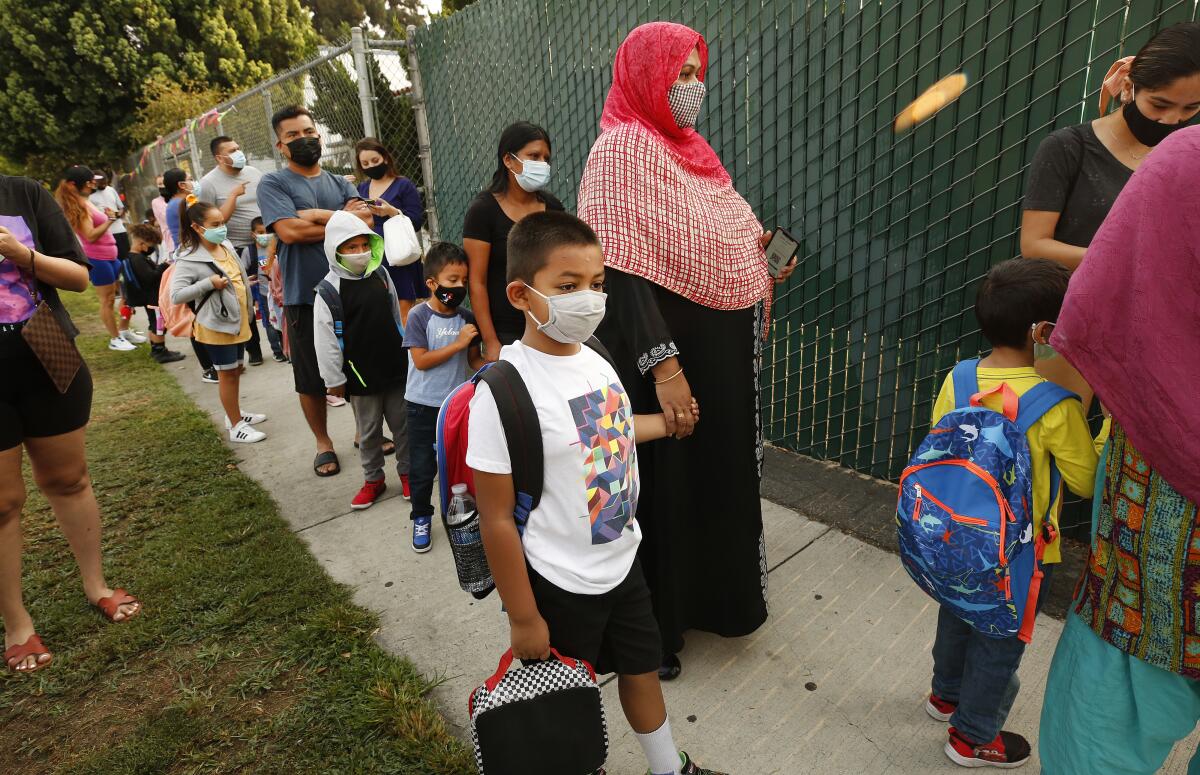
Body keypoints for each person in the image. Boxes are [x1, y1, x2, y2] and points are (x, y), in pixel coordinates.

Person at [578, 22, 794, 680]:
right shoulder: (619, 151)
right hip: (659, 360)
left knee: (716, 478)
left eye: (698, 74)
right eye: (681, 75)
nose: (693, 88)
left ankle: (716, 603)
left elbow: (717, 232)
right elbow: (618, 270)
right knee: (660, 489)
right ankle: (656, 630)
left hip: (721, 349)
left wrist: (757, 256)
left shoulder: (693, 150)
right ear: (647, 76)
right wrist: (664, 366)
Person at [467, 211, 719, 775]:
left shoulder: (599, 360)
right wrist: (524, 617)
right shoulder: (503, 391)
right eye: (568, 286)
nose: (590, 299)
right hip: (557, 579)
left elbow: (610, 432)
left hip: (620, 560)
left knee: (642, 668)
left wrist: (667, 424)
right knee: (564, 697)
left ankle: (667, 768)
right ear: (520, 294)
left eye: (597, 284)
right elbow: (497, 519)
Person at [1038, 127, 1200, 774]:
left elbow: (1105, 309)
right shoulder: (1075, 150)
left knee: (1112, 707)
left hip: (1169, 500)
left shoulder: (1184, 162)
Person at [1020, 22, 1200, 540]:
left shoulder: (1187, 159)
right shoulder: (1070, 147)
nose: (1172, 121)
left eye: (1191, 110)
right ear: (1129, 85)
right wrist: (1123, 263)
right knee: (1049, 465)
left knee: (1135, 475)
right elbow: (1035, 244)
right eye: (1160, 104)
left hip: (1152, 343)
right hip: (1069, 327)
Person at [922, 258, 1105, 768]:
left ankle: (945, 695)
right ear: (1044, 332)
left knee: (957, 612)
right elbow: (1088, 480)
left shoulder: (958, 378)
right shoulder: (1055, 405)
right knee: (1000, 641)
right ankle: (972, 737)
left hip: (955, 535)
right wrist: (1109, 434)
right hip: (1021, 553)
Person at [0, 175, 141, 674]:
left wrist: (21, 253)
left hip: (46, 355)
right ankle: (17, 625)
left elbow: (79, 277)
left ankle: (96, 585)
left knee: (68, 479)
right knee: (2, 503)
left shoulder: (22, 194)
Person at [258, 105, 370, 477]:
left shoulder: (340, 183)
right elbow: (288, 233)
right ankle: (323, 442)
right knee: (310, 375)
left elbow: (366, 222)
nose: (303, 139)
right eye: (292, 135)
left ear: (318, 135)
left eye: (308, 131)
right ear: (280, 145)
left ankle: (362, 431)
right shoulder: (273, 184)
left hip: (352, 288)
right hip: (303, 295)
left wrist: (314, 217)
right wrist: (341, 221)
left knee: (358, 364)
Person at [314, 211, 411, 514]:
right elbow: (325, 339)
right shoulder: (328, 291)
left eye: (363, 246)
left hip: (395, 367)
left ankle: (408, 474)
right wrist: (334, 379)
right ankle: (373, 479)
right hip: (360, 375)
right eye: (350, 248)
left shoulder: (381, 275)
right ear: (335, 250)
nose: (359, 253)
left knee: (403, 426)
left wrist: (408, 349)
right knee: (369, 434)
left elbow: (396, 315)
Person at [463, 122, 565, 360]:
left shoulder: (553, 208)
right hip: (506, 331)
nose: (541, 164)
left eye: (545, 158)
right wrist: (491, 341)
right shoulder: (483, 211)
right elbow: (477, 283)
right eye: (533, 156)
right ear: (508, 160)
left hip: (550, 325)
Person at [170, 198, 267, 444]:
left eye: (222, 222)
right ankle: (236, 426)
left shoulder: (225, 245)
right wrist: (207, 284)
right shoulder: (188, 259)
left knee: (236, 369)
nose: (221, 228)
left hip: (237, 320)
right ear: (197, 227)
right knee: (227, 374)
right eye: (215, 224)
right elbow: (177, 295)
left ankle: (233, 413)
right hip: (216, 325)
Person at [404, 242, 481, 553]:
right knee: (423, 468)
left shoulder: (467, 317)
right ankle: (421, 517)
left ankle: (462, 515)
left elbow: (474, 361)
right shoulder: (418, 316)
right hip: (423, 407)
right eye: (452, 280)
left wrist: (495, 364)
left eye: (463, 280)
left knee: (461, 465)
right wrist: (458, 344)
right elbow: (420, 361)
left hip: (457, 408)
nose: (459, 287)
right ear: (432, 283)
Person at [54, 165, 141, 352]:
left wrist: (109, 216)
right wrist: (110, 220)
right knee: (107, 300)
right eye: (89, 182)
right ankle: (115, 338)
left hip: (111, 255)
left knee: (127, 293)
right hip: (97, 259)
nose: (93, 184)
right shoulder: (76, 206)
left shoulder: (86, 201)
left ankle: (124, 330)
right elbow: (90, 235)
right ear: (72, 184)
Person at [355, 138, 426, 326]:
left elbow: (417, 221)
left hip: (398, 255)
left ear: (385, 158)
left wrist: (392, 212)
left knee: (404, 310)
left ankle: (408, 353)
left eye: (375, 161)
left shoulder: (403, 185)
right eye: (365, 163)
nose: (371, 166)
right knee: (378, 309)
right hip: (372, 255)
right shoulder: (361, 188)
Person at [122, 223, 185, 364]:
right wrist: (163, 266)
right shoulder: (137, 259)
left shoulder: (135, 257)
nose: (151, 249)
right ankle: (160, 352)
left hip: (150, 298)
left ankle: (156, 349)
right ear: (141, 243)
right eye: (150, 245)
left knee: (154, 323)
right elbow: (149, 278)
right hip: (152, 299)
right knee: (159, 325)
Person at [199, 136, 263, 252]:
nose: (239, 153)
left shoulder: (254, 172)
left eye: (238, 149)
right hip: (239, 248)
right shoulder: (207, 184)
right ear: (219, 158)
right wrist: (233, 197)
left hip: (268, 242)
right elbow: (208, 222)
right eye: (232, 151)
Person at [244, 217, 285, 362]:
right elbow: (242, 269)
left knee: (283, 321)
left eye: (267, 231)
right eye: (260, 232)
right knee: (270, 323)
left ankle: (286, 347)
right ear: (253, 234)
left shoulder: (278, 245)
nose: (264, 235)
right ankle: (277, 350)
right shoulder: (250, 251)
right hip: (263, 293)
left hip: (281, 292)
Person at [89, 170, 129, 264]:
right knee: (116, 262)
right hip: (107, 234)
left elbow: (121, 208)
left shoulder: (110, 189)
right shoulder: (90, 196)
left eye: (105, 183)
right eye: (101, 183)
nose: (104, 185)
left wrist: (115, 215)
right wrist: (105, 217)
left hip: (120, 230)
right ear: (95, 182)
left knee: (126, 260)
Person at [162, 167, 195, 249]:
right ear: (181, 185)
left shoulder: (177, 202)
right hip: (189, 250)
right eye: (190, 179)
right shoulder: (179, 204)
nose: (194, 182)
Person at [152, 175, 175, 253]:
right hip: (170, 242)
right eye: (159, 184)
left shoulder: (178, 197)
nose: (162, 186)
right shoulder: (156, 202)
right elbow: (167, 218)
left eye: (164, 183)